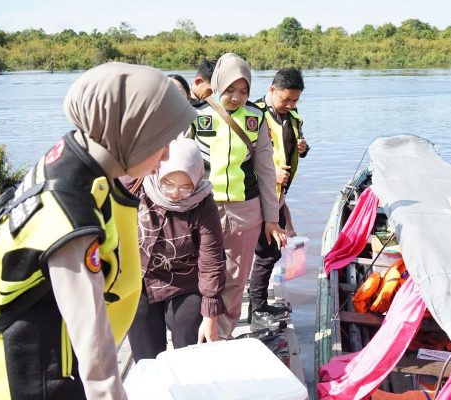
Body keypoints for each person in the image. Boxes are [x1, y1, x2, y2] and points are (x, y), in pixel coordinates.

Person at [0, 62, 196, 399]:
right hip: (39, 381)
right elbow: (94, 353)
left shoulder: (65, 159)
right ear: (129, 132)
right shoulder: (70, 215)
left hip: (18, 363)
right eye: (161, 141)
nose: (167, 155)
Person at [188, 53, 287, 339]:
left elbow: (266, 172)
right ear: (218, 83)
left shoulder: (257, 119)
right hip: (202, 208)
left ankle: (222, 334)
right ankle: (198, 332)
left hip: (246, 210)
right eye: (230, 89)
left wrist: (271, 219)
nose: (236, 97)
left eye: (243, 91)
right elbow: (177, 162)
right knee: (202, 272)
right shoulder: (197, 115)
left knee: (234, 277)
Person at [123, 138, 226, 361]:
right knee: (146, 354)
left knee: (188, 343)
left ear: (197, 179)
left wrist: (211, 314)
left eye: (185, 186)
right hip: (140, 279)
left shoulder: (204, 204)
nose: (175, 193)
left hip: (184, 282)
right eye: (167, 183)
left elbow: (212, 259)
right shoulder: (136, 187)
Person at [248, 68, 310, 326]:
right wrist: (268, 172)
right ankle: (256, 310)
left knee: (272, 253)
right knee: (266, 252)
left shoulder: (293, 117)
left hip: (278, 196)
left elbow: (296, 147)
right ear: (272, 89)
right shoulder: (254, 114)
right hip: (258, 194)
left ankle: (258, 305)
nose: (290, 105)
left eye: (295, 100)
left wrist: (304, 148)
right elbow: (241, 156)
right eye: (286, 99)